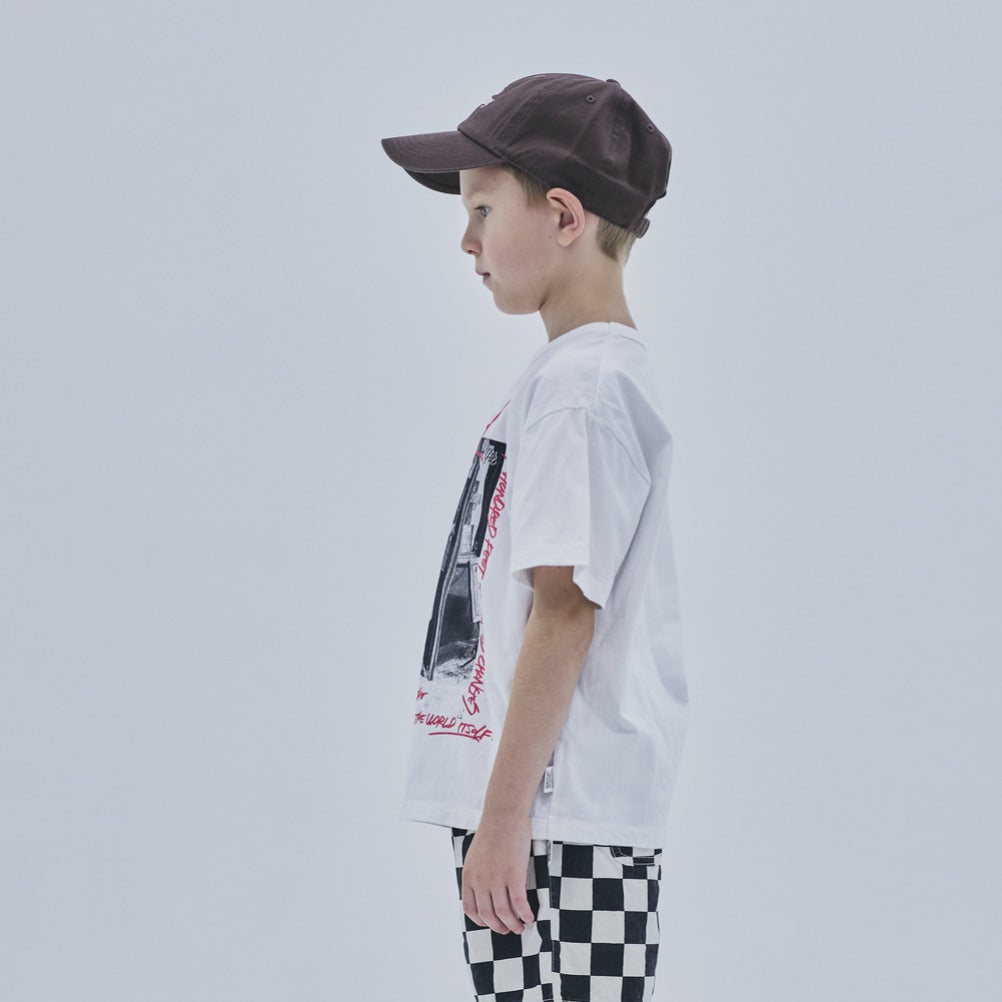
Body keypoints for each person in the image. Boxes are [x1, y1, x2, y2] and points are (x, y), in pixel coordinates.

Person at [381, 73, 688, 1002]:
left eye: (481, 208)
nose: (465, 239)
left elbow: (565, 609)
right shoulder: (570, 381)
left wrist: (505, 816)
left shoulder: (581, 393)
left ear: (562, 215)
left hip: (559, 817)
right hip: (542, 812)